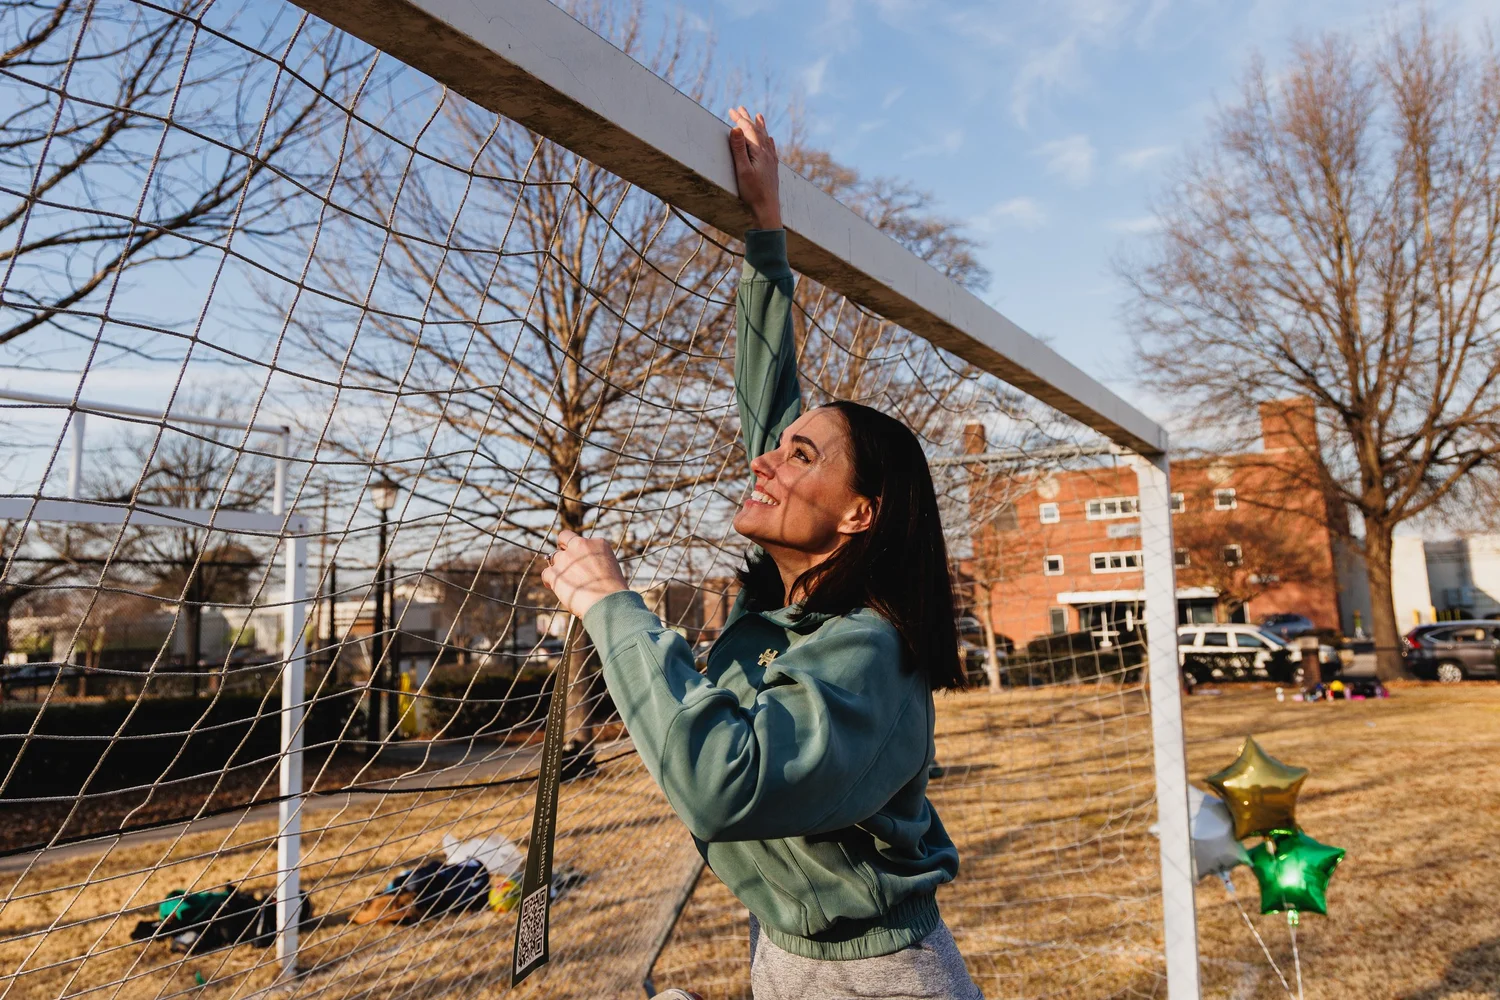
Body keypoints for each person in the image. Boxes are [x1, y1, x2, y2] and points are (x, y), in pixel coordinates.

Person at [541, 107, 983, 1000]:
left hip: (880, 977)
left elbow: (720, 782)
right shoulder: (782, 606)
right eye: (777, 448)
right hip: (782, 951)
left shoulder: (871, 650)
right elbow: (770, 401)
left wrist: (612, 609)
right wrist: (765, 237)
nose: (765, 460)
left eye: (800, 457)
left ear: (861, 515)